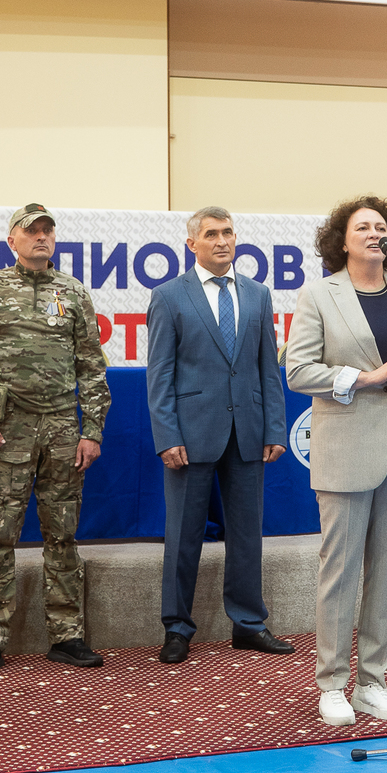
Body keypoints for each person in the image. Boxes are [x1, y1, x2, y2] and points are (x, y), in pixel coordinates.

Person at [285, 196, 387, 727]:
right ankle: (332, 684)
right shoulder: (319, 294)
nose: (375, 234)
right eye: (363, 227)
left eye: (382, 226)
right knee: (340, 571)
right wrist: (363, 378)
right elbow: (298, 371)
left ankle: (372, 681)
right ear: (343, 240)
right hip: (345, 450)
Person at [0, 204, 110, 674]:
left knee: (63, 534)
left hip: (62, 428)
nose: (40, 236)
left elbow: (91, 367)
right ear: (12, 240)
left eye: (47, 230)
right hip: (7, 429)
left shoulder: (73, 292)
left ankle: (67, 635)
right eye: (31, 230)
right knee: (0, 534)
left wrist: (92, 430)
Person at [145, 205, 293, 665]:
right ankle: (177, 628)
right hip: (189, 435)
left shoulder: (258, 294)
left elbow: (268, 367)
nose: (223, 240)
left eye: (228, 232)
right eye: (211, 234)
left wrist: (274, 426)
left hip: (248, 430)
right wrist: (167, 435)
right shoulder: (168, 296)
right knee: (183, 535)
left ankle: (248, 624)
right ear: (192, 244)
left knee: (247, 534)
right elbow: (159, 374)